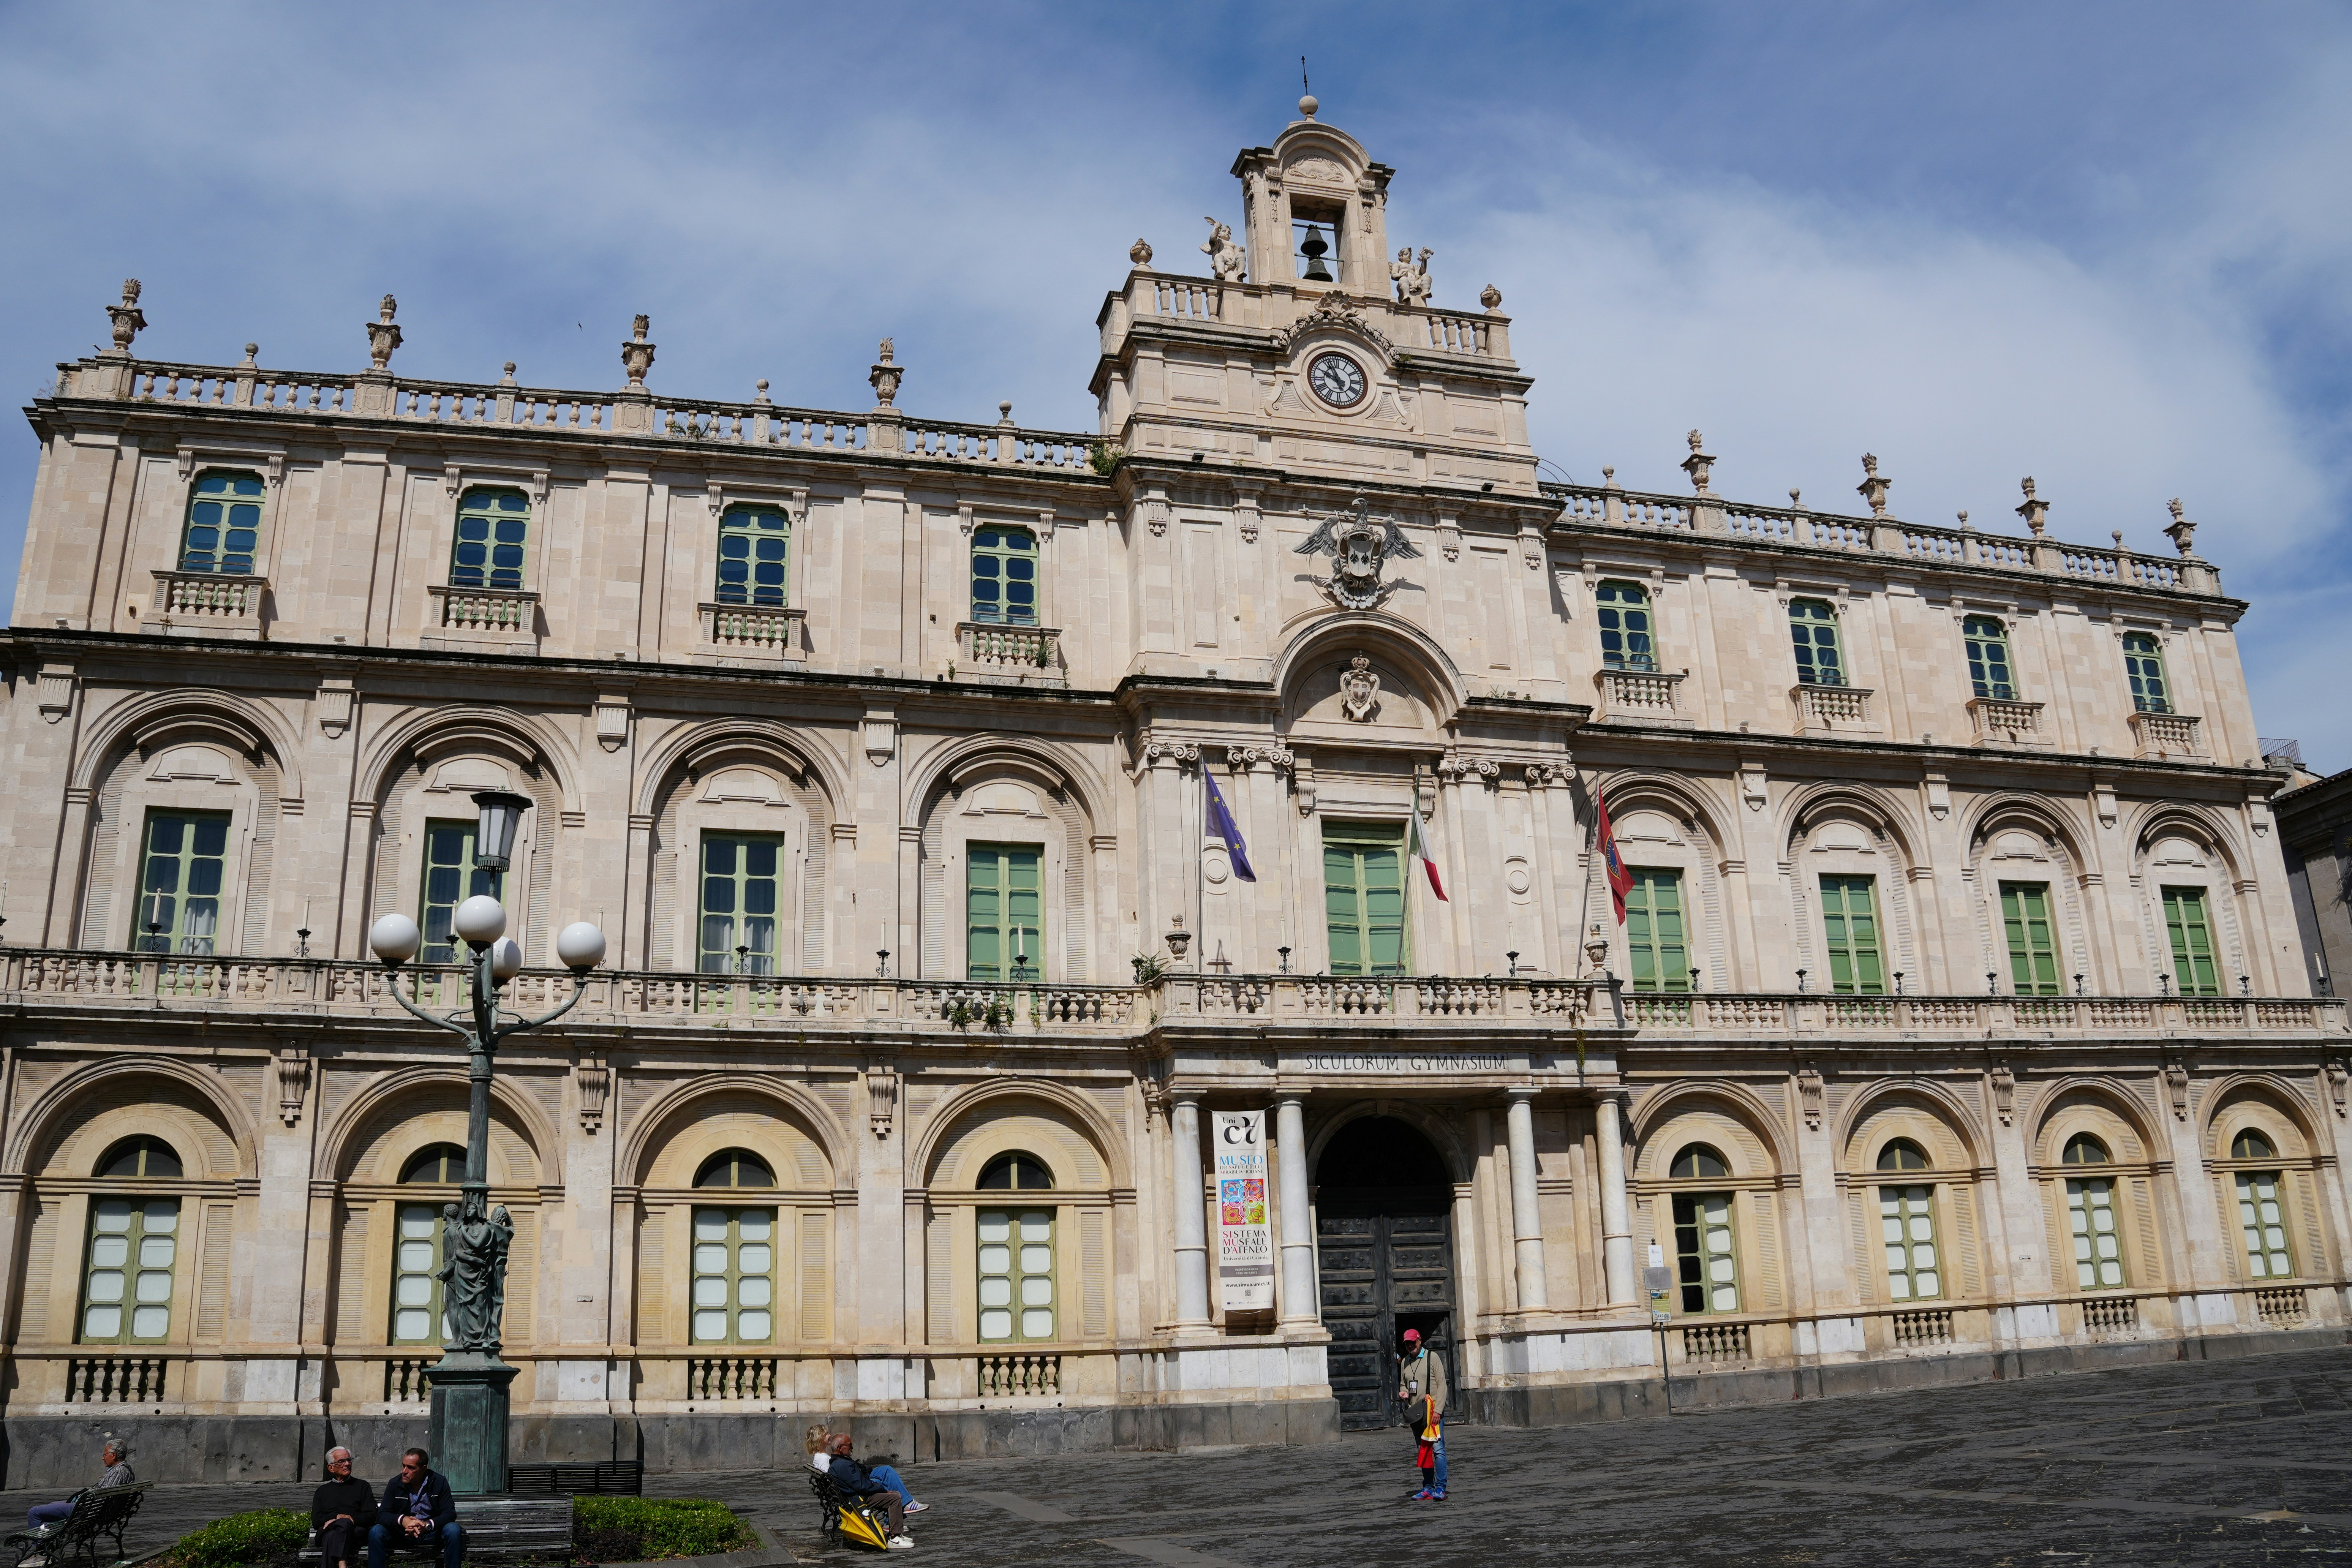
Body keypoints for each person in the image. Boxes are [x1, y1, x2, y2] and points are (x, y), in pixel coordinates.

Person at [366, 1448, 461, 1568]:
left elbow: (450, 1514)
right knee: (376, 1531)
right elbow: (382, 1515)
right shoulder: (395, 1484)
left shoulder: (439, 1482)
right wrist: (404, 1521)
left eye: (411, 1468)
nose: (404, 1471)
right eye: (404, 1466)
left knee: (453, 1530)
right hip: (403, 1533)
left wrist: (426, 1526)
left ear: (424, 1469)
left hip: (431, 1533)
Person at [823, 1432, 915, 1548]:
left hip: (853, 1497)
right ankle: (894, 1537)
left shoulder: (840, 1462)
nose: (852, 1448)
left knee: (895, 1494)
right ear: (841, 1448)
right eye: (850, 1446)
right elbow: (862, 1486)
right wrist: (882, 1490)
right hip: (858, 1500)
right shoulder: (843, 1465)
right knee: (894, 1498)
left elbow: (860, 1483)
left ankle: (897, 1532)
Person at [25, 1440, 134, 1529]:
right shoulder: (125, 1471)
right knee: (52, 1505)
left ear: (113, 1455)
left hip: (84, 1511)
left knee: (34, 1513)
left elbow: (103, 1499)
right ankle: (46, 1532)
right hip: (88, 1508)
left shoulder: (118, 1473)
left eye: (105, 1455)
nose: (102, 1458)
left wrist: (83, 1519)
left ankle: (40, 1551)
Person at [1396, 1328, 1448, 1501]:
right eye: (1407, 1344)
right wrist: (1403, 1392)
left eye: (1413, 1342)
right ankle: (1428, 1487)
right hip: (1416, 1414)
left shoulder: (1433, 1358)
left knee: (1438, 1450)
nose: (1411, 1346)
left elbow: (1442, 1386)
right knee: (1423, 1451)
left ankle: (1441, 1488)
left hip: (1433, 1413)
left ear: (1420, 1340)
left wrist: (1439, 1411)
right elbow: (1404, 1384)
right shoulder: (1404, 1362)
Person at [311, 1447, 378, 1568]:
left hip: (354, 1533)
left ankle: (342, 1563)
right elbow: (316, 1521)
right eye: (342, 1461)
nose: (347, 1464)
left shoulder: (362, 1486)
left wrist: (350, 1520)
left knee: (336, 1532)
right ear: (331, 1468)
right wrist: (337, 1517)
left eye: (349, 1460)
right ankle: (343, 1564)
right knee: (341, 1525)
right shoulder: (322, 1491)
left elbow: (371, 1515)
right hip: (328, 1529)